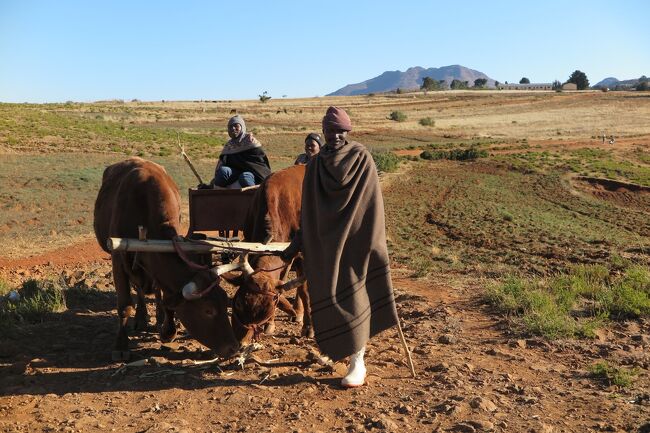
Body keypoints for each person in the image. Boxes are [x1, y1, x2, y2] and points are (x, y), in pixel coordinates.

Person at [282, 106, 398, 388]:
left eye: (340, 131)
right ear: (323, 131)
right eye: (330, 130)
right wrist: (298, 241)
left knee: (355, 296)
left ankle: (358, 360)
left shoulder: (361, 158)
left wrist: (373, 242)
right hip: (325, 246)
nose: (334, 135)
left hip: (357, 241)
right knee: (329, 296)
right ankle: (339, 348)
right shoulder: (316, 164)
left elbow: (371, 206)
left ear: (348, 132)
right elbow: (308, 210)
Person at [204, 115, 271, 189]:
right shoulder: (229, 146)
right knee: (223, 171)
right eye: (230, 127)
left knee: (245, 177)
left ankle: (253, 198)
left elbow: (260, 166)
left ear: (242, 127)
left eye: (236, 126)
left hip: (252, 175)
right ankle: (219, 197)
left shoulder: (251, 142)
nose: (233, 128)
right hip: (234, 175)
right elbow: (222, 164)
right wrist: (211, 184)